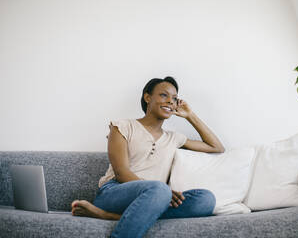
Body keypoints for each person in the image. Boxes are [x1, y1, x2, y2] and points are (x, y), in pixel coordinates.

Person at [71, 76, 225, 238]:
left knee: (206, 199)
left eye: (174, 98)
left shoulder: (174, 138)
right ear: (147, 97)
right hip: (114, 192)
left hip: (156, 199)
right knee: (159, 189)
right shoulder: (122, 126)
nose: (170, 102)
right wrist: (160, 191)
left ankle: (109, 216)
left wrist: (190, 115)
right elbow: (121, 172)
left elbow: (216, 147)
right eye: (164, 95)